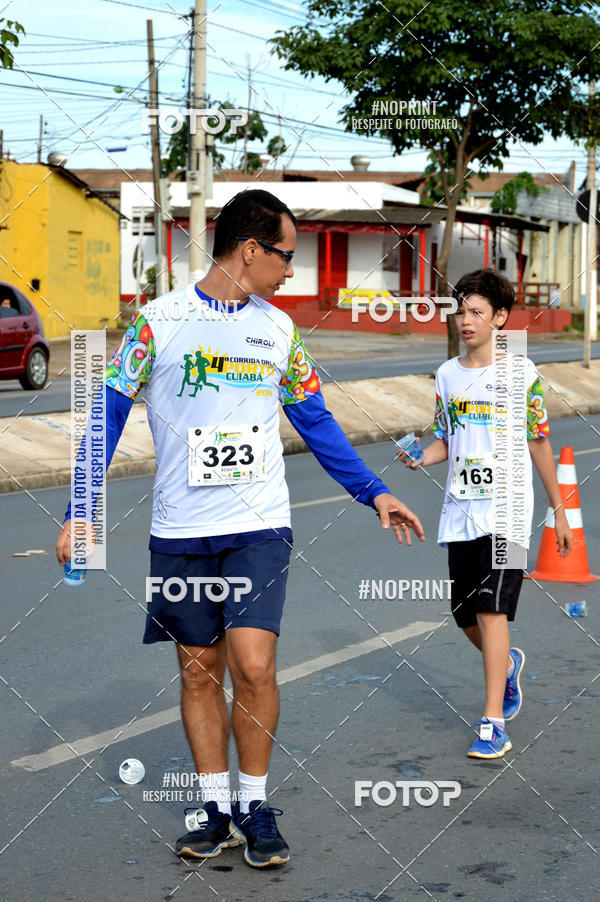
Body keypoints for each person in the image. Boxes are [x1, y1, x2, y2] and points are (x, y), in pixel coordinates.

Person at [56, 189, 424, 868]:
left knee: (254, 664)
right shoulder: (157, 323)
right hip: (180, 530)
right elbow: (105, 415)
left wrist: (373, 492)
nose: (290, 270)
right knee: (199, 672)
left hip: (259, 526)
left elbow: (314, 420)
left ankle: (255, 807)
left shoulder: (279, 330)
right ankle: (215, 810)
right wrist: (82, 508)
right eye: (285, 255)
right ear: (250, 250)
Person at [397, 268, 572, 759]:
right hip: (461, 510)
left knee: (492, 609)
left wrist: (558, 511)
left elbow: (539, 443)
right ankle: (508, 666)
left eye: (476, 311)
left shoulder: (521, 373)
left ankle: (493, 723)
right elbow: (446, 441)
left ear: (500, 318)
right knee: (464, 614)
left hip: (509, 512)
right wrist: (421, 456)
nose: (465, 320)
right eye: (460, 311)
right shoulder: (447, 375)